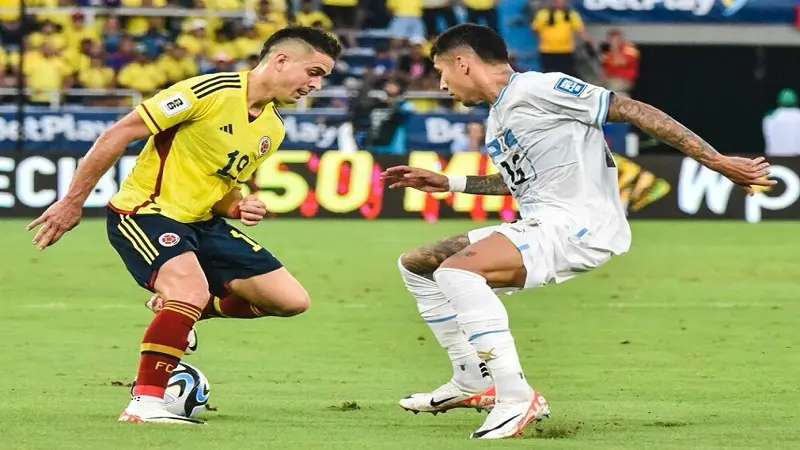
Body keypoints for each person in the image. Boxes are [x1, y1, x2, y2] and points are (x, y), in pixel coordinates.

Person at [381, 23, 774, 440]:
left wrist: (716, 160)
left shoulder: (537, 88)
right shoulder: (500, 115)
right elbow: (516, 181)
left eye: (442, 71)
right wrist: (451, 183)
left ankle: (515, 397)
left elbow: (632, 109)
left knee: (458, 273)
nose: (441, 84)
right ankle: (474, 380)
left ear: (463, 62)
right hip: (543, 221)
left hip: (577, 224)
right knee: (418, 265)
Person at [26, 26, 342, 425]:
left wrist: (240, 206)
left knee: (290, 301)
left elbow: (223, 189)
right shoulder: (208, 91)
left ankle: (181, 313)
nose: (316, 84)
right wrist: (72, 202)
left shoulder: (272, 129)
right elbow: (119, 132)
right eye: (314, 72)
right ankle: (144, 405)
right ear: (281, 60)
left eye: (323, 77)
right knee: (189, 289)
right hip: (147, 212)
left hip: (203, 223)